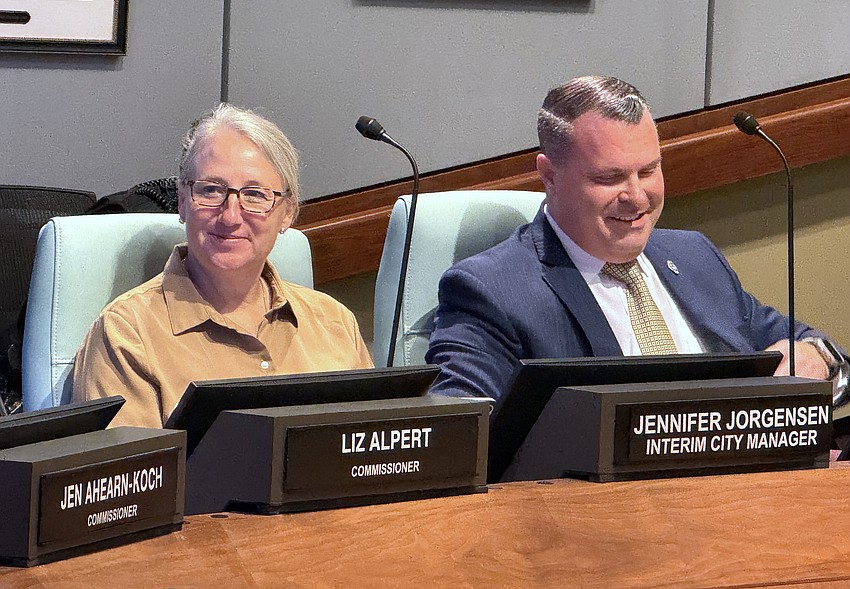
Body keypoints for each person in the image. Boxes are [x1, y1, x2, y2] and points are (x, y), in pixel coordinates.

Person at [426, 75, 848, 406]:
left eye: (648, 171)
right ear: (549, 175)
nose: (637, 196)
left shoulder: (694, 255)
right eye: (609, 178)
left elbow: (810, 344)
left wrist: (815, 355)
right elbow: (459, 426)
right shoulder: (493, 290)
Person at [72, 103, 373, 427]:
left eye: (255, 195)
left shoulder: (335, 323)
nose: (230, 216)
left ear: (287, 212)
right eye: (211, 190)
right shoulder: (127, 334)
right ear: (184, 201)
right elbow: (128, 474)